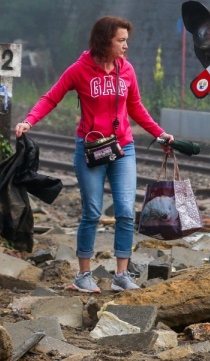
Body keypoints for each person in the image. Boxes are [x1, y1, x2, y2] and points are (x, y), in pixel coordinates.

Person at [15, 15, 173, 293]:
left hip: (123, 148)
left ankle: (121, 275)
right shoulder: (79, 70)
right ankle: (83, 276)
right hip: (91, 150)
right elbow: (51, 97)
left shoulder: (127, 71)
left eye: (126, 40)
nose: (126, 46)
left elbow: (136, 107)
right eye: (120, 41)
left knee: (125, 212)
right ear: (105, 41)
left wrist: (159, 133)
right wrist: (29, 120)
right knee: (92, 212)